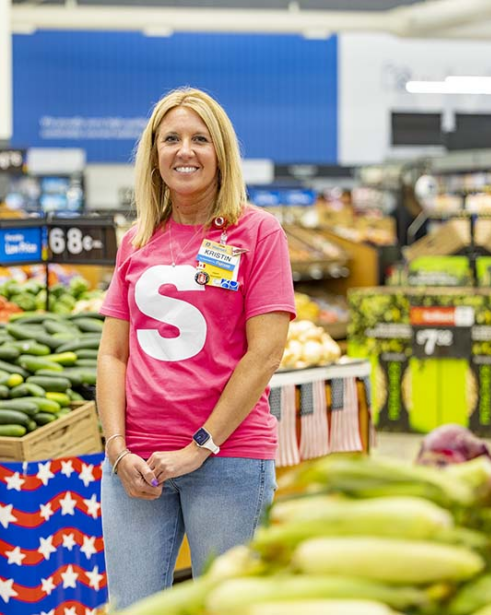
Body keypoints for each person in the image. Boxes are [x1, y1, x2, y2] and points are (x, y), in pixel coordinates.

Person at [98, 87, 296, 609]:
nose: (185, 151)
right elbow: (112, 354)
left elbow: (265, 354)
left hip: (227, 458)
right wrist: (116, 449)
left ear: (221, 152)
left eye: (199, 139)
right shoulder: (136, 240)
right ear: (154, 154)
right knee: (132, 605)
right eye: (171, 139)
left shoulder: (258, 233)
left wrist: (199, 446)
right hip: (134, 464)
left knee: (228, 605)